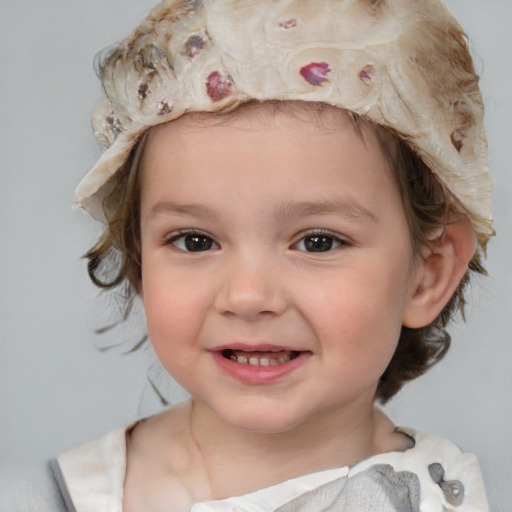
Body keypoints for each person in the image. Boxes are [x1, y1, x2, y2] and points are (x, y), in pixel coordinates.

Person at [9, 0, 495, 510]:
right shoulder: (55, 497)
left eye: (318, 242)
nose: (247, 296)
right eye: (195, 241)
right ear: (138, 261)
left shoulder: (446, 498)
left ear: (428, 275)